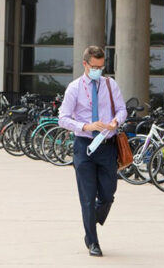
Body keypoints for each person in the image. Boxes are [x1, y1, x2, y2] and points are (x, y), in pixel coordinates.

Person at [57, 46, 126, 257]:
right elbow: (63, 118)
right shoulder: (74, 88)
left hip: (107, 147)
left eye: (102, 66)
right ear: (85, 64)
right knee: (87, 197)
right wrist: (85, 127)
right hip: (84, 147)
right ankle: (93, 241)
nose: (98, 70)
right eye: (95, 67)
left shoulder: (109, 84)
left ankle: (91, 219)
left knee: (107, 194)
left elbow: (122, 109)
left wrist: (116, 121)